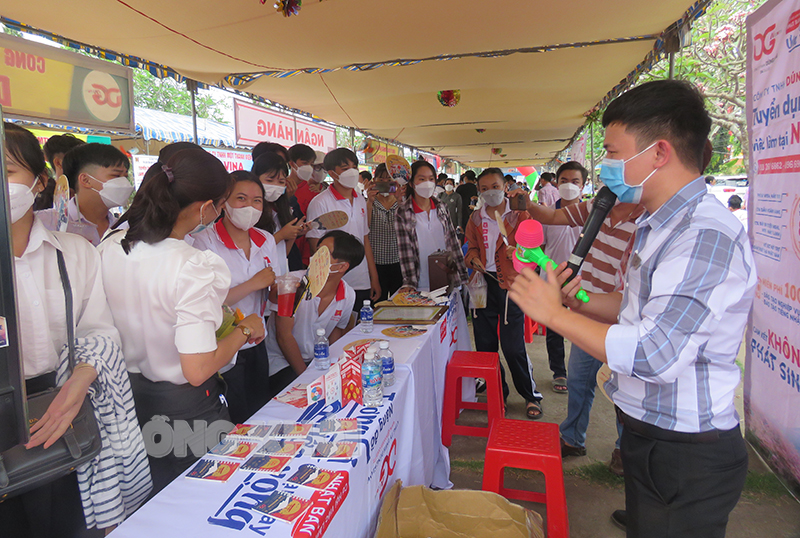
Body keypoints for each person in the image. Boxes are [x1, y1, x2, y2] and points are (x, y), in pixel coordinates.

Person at [510, 80, 755, 538]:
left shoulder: (703, 235)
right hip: (649, 431)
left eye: (612, 151)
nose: (604, 165)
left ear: (658, 153)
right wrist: (573, 297)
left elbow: (655, 353)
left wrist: (557, 317)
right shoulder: (658, 223)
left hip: (685, 450)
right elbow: (635, 305)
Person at [1, 123, 151, 537]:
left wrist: (81, 380)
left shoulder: (75, 254)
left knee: (65, 519)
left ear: (40, 181)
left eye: (8, 170)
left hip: (63, 408)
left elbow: (100, 328)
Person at [99, 148, 266, 494]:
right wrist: (245, 329)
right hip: (185, 412)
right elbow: (198, 367)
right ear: (205, 207)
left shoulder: (112, 243)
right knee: (209, 498)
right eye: (220, 204)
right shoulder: (193, 265)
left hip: (129, 402)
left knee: (158, 499)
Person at [527, 172, 644, 473]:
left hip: (624, 320)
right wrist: (524, 204)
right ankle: (572, 438)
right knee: (579, 380)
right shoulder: (597, 206)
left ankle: (624, 449)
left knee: (624, 390)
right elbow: (550, 216)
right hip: (587, 311)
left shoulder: (647, 217)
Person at [191, 171, 279, 424]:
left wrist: (278, 289)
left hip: (257, 339)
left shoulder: (266, 239)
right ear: (224, 202)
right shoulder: (204, 241)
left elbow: (272, 287)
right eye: (241, 198)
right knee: (236, 416)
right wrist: (253, 284)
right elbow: (204, 302)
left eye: (257, 200)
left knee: (261, 409)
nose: (250, 207)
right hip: (223, 343)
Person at [465, 168, 543, 419]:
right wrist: (473, 258)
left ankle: (530, 395)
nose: (491, 192)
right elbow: (471, 248)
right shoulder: (476, 219)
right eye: (485, 188)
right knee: (486, 347)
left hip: (511, 286)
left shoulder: (520, 215)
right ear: (479, 191)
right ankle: (500, 395)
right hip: (482, 286)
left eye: (495, 186)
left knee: (512, 347)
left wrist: (519, 253)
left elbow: (534, 250)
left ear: (505, 186)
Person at [266, 230, 360, 396]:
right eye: (317, 251)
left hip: (315, 362)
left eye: (324, 254)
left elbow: (335, 334)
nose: (316, 258)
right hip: (280, 363)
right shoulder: (293, 283)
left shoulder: (348, 295)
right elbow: (284, 336)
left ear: (342, 267)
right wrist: (307, 377)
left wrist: (331, 368)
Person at [306, 148, 381, 307]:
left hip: (362, 280)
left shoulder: (360, 199)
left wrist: (373, 278)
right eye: (346, 169)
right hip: (335, 283)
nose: (353, 172)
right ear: (332, 173)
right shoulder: (320, 203)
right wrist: (329, 281)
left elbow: (365, 240)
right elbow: (316, 248)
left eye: (354, 167)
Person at [540, 162, 586, 394]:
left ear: (584, 185)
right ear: (556, 183)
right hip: (554, 279)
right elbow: (541, 246)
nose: (569, 186)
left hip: (584, 282)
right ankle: (559, 371)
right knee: (555, 327)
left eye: (575, 181)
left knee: (584, 327)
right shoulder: (547, 214)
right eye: (564, 181)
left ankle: (584, 373)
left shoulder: (592, 215)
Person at [37, 143, 133, 246]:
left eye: (125, 177)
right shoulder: (45, 223)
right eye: (116, 175)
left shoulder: (123, 227)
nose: (124, 183)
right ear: (85, 180)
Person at [395, 160, 468, 292]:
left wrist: (462, 275)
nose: (427, 183)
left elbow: (453, 243)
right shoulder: (403, 212)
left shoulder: (441, 207)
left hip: (448, 279)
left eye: (431, 179)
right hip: (421, 283)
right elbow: (405, 251)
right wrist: (409, 283)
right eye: (421, 179)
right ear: (411, 183)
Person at [252, 151, 306, 274]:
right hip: (258, 277)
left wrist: (293, 233)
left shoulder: (283, 209)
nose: (276, 186)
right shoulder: (250, 211)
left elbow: (282, 252)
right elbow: (251, 252)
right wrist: (281, 234)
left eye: (281, 182)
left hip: (280, 276)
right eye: (270, 180)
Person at [367, 163, 403, 302]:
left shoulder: (401, 202)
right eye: (380, 180)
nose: (385, 184)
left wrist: (400, 201)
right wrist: (369, 202)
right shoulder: (370, 202)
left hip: (399, 261)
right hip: (376, 263)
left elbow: (409, 226)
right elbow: (366, 227)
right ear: (374, 182)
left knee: (399, 303)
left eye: (389, 180)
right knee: (377, 302)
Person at [34, 133, 85, 210]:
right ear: (58, 163)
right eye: (77, 161)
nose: (84, 166)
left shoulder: (87, 194)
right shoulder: (39, 197)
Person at [291, 145, 326, 216]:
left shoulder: (313, 190)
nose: (309, 167)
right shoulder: (282, 187)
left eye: (311, 164)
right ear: (292, 163)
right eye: (305, 163)